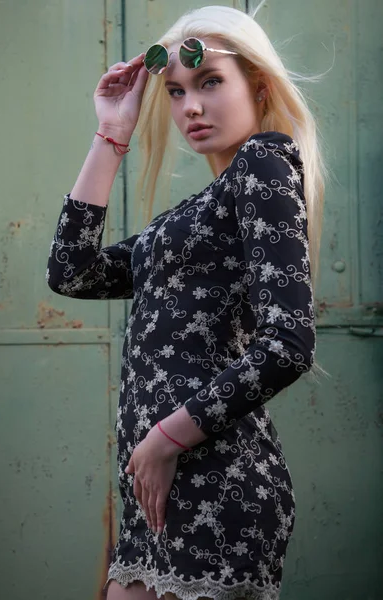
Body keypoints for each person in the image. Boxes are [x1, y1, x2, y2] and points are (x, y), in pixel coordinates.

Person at [47, 4, 324, 600]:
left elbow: (290, 344)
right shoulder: (192, 214)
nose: (190, 107)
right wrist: (112, 133)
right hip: (156, 494)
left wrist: (164, 440)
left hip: (216, 484)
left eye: (210, 82)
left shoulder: (263, 163)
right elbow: (72, 272)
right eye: (174, 92)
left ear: (258, 83)